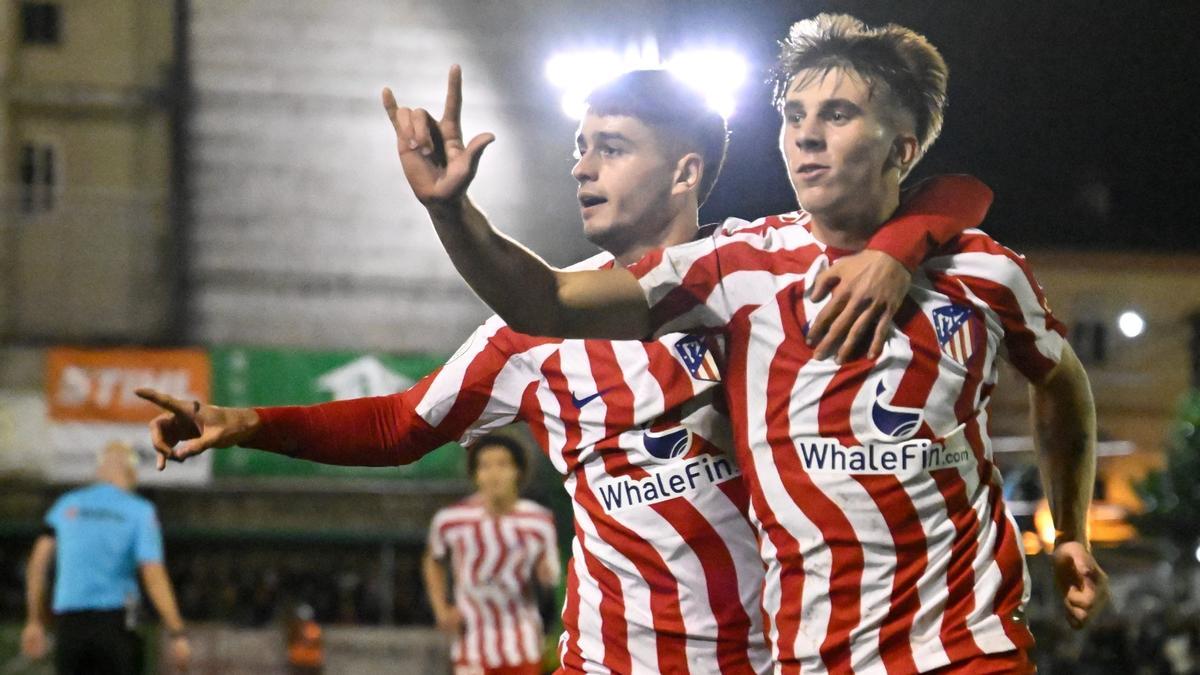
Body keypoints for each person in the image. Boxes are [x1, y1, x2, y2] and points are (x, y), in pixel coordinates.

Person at [137, 70, 988, 673]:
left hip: (765, 658)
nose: (581, 165)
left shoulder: (763, 277)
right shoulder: (529, 334)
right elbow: (403, 424)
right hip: (600, 660)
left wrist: (898, 248)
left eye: (610, 147)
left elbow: (956, 190)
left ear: (686, 170)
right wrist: (249, 422)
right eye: (579, 147)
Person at [382, 14, 1109, 674]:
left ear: (903, 146)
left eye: (838, 114)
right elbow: (546, 300)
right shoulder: (736, 267)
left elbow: (1063, 382)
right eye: (793, 116)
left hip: (968, 648)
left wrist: (1070, 529)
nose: (805, 135)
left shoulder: (984, 272)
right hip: (806, 657)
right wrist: (451, 211)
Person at [21, 441, 191, 674]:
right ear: (132, 473)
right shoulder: (140, 511)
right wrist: (176, 631)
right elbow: (153, 573)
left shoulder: (66, 505)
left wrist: (34, 621)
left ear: (99, 471)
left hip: (70, 625)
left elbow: (37, 564)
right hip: (118, 623)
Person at [423, 434, 559, 675]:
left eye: (503, 464)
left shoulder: (539, 522)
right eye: (485, 466)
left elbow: (550, 577)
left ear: (518, 471)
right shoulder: (452, 520)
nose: (494, 474)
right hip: (471, 643)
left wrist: (546, 578)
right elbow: (433, 559)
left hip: (522, 644)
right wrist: (441, 608)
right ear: (475, 474)